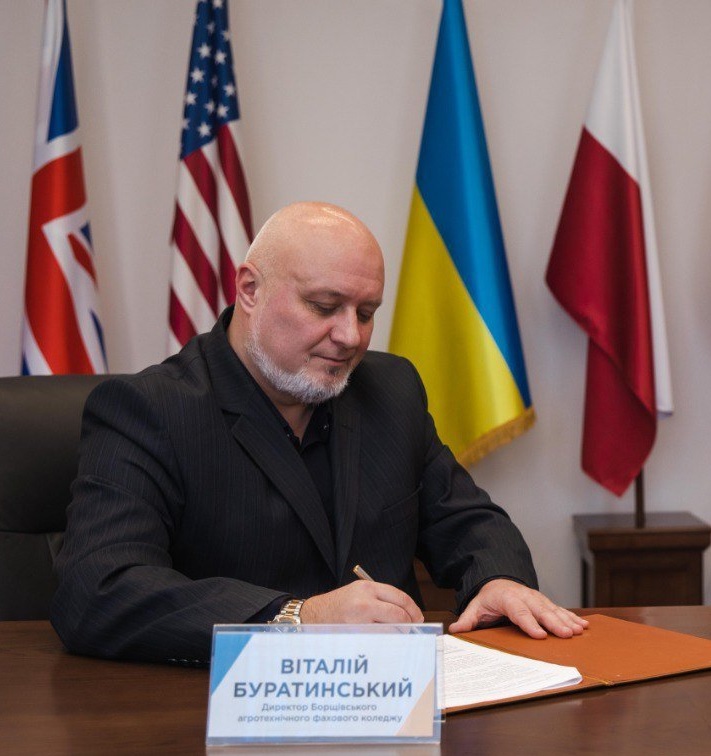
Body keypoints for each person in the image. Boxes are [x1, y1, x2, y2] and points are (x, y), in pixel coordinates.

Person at [51, 201, 587, 663]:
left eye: (366, 312)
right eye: (324, 307)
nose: (350, 336)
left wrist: (496, 579)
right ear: (250, 290)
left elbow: (467, 519)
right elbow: (98, 590)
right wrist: (298, 619)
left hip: (394, 704)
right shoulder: (149, 409)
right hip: (222, 714)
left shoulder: (391, 389)